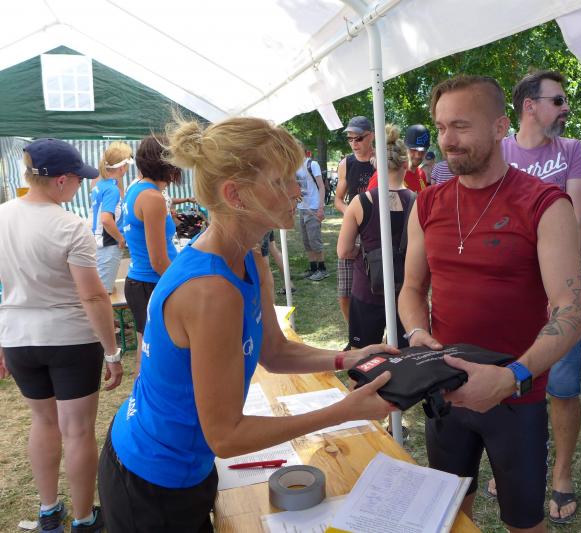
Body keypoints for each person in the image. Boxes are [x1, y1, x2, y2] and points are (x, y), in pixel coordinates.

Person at [98, 116, 398, 532]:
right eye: (280, 181)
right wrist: (342, 411)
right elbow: (226, 436)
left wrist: (349, 358)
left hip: (183, 466)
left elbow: (275, 352)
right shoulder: (211, 291)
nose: (296, 191)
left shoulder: (250, 261)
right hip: (151, 481)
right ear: (235, 194)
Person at [398, 75, 581, 533]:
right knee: (448, 512)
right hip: (446, 387)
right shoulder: (428, 203)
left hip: (516, 393)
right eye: (441, 127)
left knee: (524, 522)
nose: (447, 140)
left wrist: (512, 376)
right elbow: (411, 288)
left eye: (461, 126)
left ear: (501, 126)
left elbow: (571, 311)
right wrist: (417, 333)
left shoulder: (544, 203)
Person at [0, 139, 123, 533]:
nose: (80, 186)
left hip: (18, 336)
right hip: (70, 338)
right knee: (77, 430)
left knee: (42, 422)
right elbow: (93, 295)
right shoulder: (70, 226)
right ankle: (84, 518)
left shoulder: (2, 216)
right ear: (61, 180)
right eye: (78, 180)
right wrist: (112, 352)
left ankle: (49, 510)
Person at [500, 69, 581, 523]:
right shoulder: (500, 150)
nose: (565, 108)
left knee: (562, 387)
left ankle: (562, 472)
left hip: (559, 291)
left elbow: (575, 222)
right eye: (558, 100)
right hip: (507, 289)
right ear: (530, 106)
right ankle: (513, 461)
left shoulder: (574, 151)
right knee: (508, 380)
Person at [338, 124, 415, 349]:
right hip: (406, 291)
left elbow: (343, 251)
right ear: (405, 164)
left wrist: (364, 252)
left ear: (377, 163)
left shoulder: (360, 202)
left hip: (367, 289)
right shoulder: (418, 202)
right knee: (405, 358)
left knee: (362, 357)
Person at [122, 136, 181, 376]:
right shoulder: (152, 198)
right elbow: (158, 261)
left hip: (143, 282)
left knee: (146, 350)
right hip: (152, 282)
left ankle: (142, 393)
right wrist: (183, 283)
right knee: (156, 354)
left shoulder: (137, 188)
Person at [334, 116, 375, 326]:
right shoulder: (346, 163)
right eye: (350, 139)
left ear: (372, 136)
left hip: (376, 232)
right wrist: (352, 213)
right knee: (345, 293)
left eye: (358, 138)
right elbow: (338, 199)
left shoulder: (382, 160)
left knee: (375, 288)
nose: (354, 144)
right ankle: (354, 334)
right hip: (352, 231)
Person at [90, 141, 131, 294]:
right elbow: (106, 219)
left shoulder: (100, 185)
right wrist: (121, 239)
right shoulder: (111, 189)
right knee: (104, 292)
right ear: (122, 168)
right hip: (109, 244)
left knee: (101, 289)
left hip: (100, 241)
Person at [366, 124, 431, 192]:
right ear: (405, 147)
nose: (418, 155)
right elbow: (368, 198)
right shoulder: (386, 175)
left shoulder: (421, 174)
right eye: (414, 149)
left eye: (422, 151)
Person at [295, 146, 328, 281]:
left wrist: (320, 208)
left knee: (315, 240)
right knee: (307, 241)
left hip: (314, 208)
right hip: (302, 208)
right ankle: (313, 268)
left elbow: (321, 187)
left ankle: (322, 269)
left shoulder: (312, 164)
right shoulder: (294, 167)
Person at [259, 230, 294, 296]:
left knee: (263, 257)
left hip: (259, 227)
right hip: (266, 225)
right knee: (273, 248)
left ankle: (268, 295)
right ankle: (289, 284)